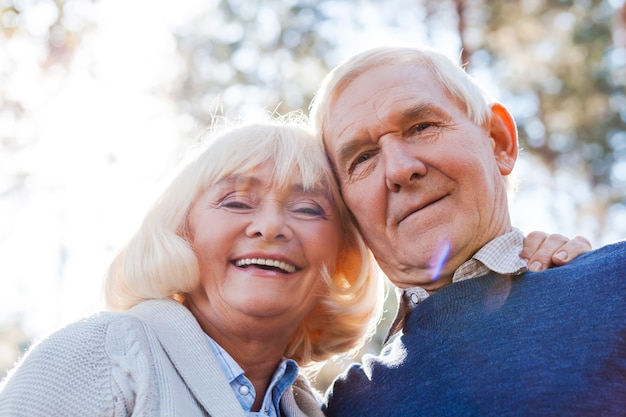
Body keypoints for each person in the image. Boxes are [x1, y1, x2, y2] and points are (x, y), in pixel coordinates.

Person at [309, 45, 626, 416]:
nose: (398, 169)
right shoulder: (346, 406)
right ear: (346, 215)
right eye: (362, 157)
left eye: (422, 127)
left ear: (499, 141)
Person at [0, 115, 386, 416]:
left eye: (307, 209)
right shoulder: (101, 356)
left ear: (342, 256)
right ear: (182, 231)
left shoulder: (315, 409)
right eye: (236, 202)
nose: (270, 227)